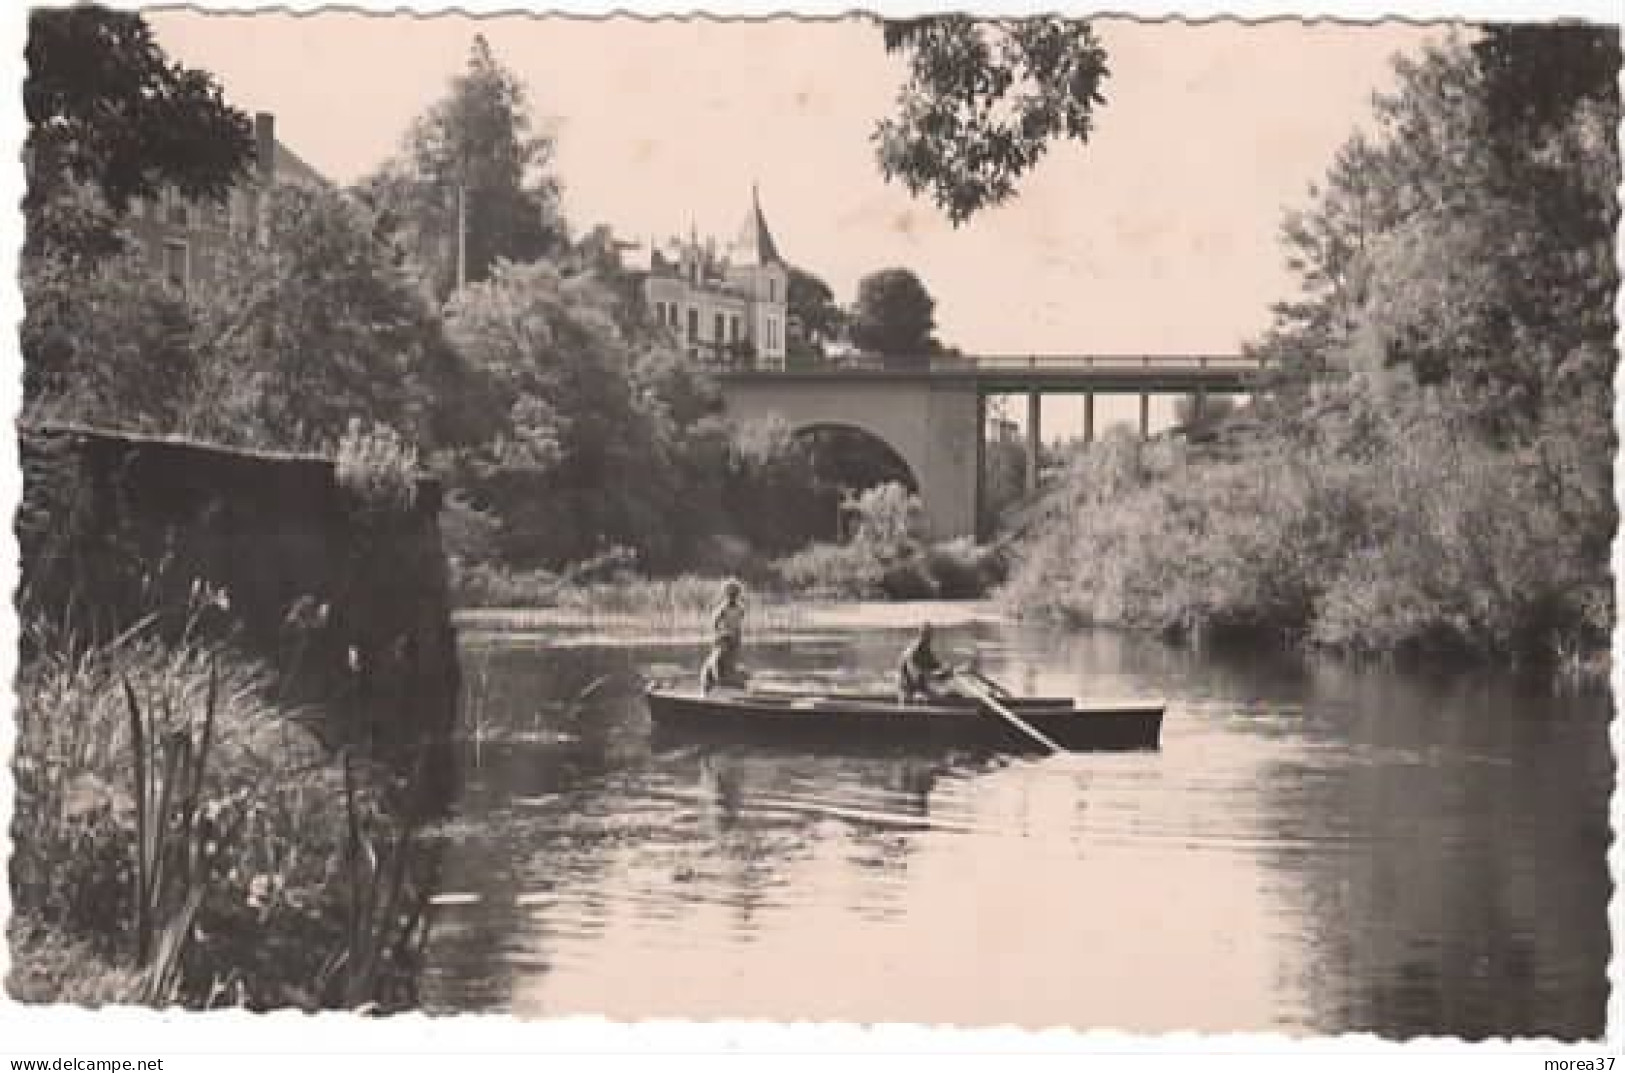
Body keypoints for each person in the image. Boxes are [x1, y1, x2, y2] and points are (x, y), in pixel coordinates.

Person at [701, 578, 748, 693]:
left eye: (735, 594)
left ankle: (731, 684)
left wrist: (736, 637)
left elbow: (739, 624)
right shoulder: (723, 608)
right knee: (719, 662)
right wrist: (721, 634)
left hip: (734, 637)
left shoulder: (740, 608)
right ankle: (719, 685)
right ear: (727, 594)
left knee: (730, 663)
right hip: (724, 636)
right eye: (731, 594)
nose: (733, 597)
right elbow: (715, 623)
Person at [897, 623, 953, 704]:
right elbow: (918, 676)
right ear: (921, 635)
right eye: (927, 635)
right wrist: (938, 674)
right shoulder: (913, 652)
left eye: (930, 635)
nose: (929, 638)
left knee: (951, 695)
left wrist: (948, 670)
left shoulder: (926, 651)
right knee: (934, 701)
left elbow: (937, 667)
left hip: (920, 690)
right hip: (908, 693)